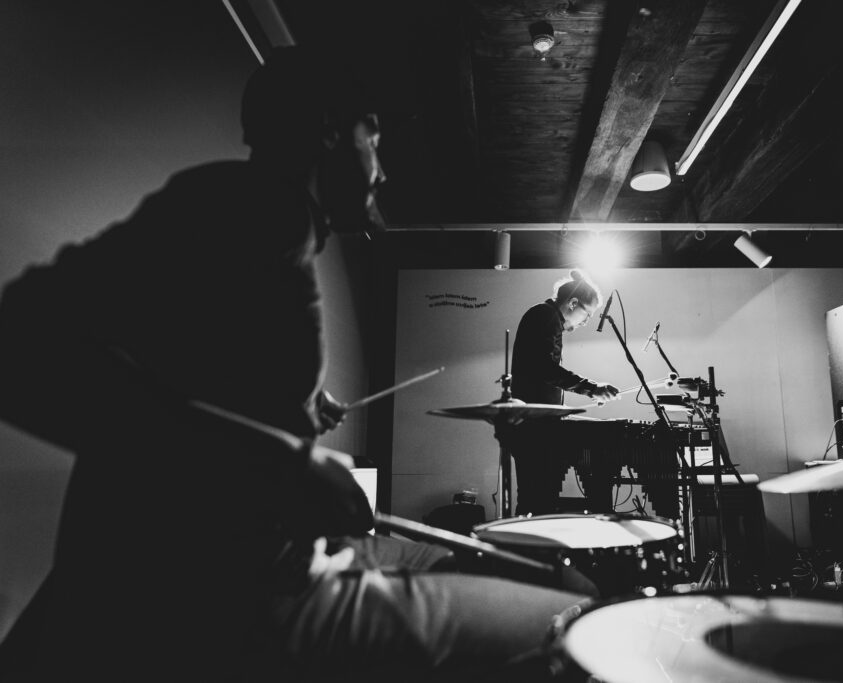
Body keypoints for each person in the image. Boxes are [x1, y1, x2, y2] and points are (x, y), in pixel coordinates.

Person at [0, 46, 588, 682]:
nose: (382, 170)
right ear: (329, 129)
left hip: (280, 558)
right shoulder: (255, 205)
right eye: (374, 139)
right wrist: (286, 460)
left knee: (502, 569)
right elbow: (22, 341)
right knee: (575, 625)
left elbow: (192, 384)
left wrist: (298, 409)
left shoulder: (271, 223)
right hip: (236, 595)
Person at [509, 269, 620, 515]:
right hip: (533, 428)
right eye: (587, 315)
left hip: (536, 424)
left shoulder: (547, 317)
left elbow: (544, 373)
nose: (586, 322)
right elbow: (544, 369)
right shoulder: (545, 316)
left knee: (537, 500)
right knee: (535, 500)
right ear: (572, 303)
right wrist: (592, 388)